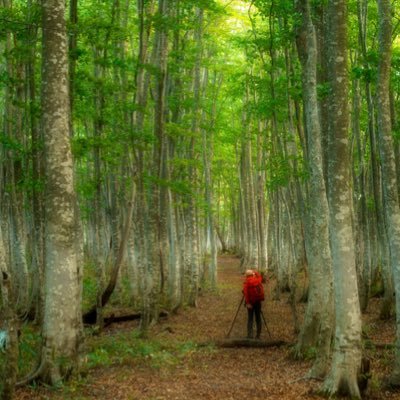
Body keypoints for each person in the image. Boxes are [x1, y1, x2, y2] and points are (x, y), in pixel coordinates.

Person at [243, 269, 264, 339]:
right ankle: (258, 335)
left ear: (246, 276)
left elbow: (246, 294)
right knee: (258, 318)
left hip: (250, 303)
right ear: (252, 274)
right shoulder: (257, 280)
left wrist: (248, 303)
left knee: (250, 318)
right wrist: (254, 272)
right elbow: (260, 276)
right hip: (258, 302)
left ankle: (250, 335)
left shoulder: (246, 282)